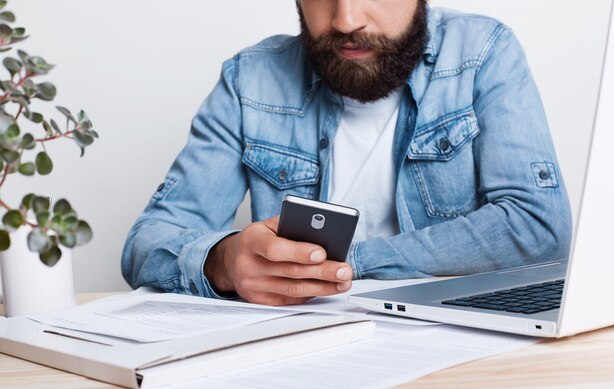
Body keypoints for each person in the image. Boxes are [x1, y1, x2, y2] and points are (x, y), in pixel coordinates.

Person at [122, 0, 572, 306]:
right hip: (297, 352)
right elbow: (147, 241)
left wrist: (348, 265)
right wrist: (224, 261)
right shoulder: (250, 79)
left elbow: (538, 226)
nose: (345, 20)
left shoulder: (483, 53)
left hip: (456, 347)